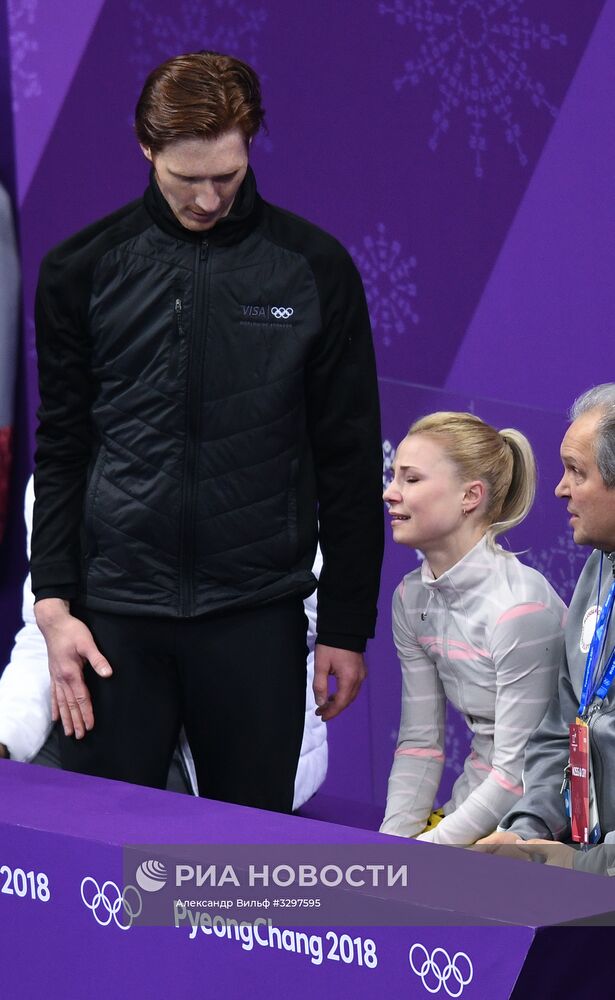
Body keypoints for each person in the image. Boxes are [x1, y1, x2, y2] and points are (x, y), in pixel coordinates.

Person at [30, 52, 383, 812]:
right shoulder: (79, 270)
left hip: (256, 615)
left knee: (241, 861)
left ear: (250, 145)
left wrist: (347, 626)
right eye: (185, 177)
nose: (207, 198)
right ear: (146, 147)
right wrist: (53, 603)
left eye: (226, 175)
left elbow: (349, 462)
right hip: (113, 618)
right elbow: (61, 448)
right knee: (107, 857)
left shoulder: (314, 269)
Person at [0, 478, 328, 809]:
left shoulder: (247, 466)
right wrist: (5, 733)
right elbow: (43, 636)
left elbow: (301, 611)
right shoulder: (60, 477)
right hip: (98, 727)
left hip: (214, 749)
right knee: (25, 799)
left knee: (129, 817)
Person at [379, 412, 566, 846]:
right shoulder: (410, 598)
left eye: (411, 479)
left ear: (470, 496)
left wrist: (427, 852)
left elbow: (517, 778)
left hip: (548, 826)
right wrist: (392, 848)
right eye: (394, 477)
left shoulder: (520, 609)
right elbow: (419, 746)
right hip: (474, 811)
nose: (390, 492)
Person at [478, 385, 615, 873]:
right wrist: (526, 830)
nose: (560, 489)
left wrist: (588, 868)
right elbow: (564, 725)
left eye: (577, 471)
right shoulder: (599, 567)